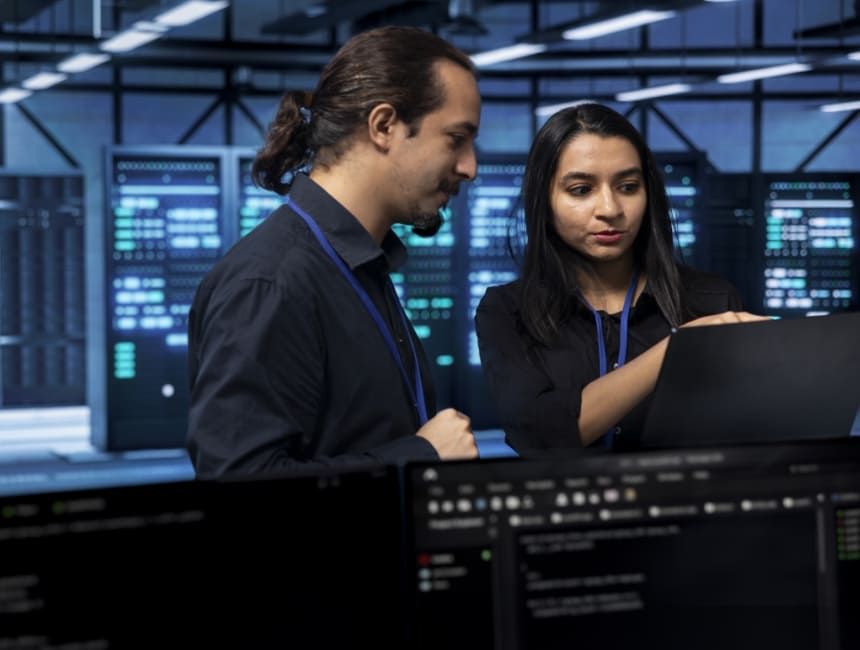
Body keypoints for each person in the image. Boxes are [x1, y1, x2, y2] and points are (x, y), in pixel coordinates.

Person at [186, 26, 480, 478]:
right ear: (384, 126)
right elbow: (239, 489)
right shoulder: (272, 282)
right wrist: (421, 456)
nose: (469, 167)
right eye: (456, 138)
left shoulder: (359, 266)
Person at [475, 103, 768, 456]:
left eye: (628, 186)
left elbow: (747, 434)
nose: (610, 209)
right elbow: (538, 435)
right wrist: (679, 349)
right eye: (581, 190)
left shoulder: (710, 301)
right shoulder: (508, 310)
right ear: (544, 201)